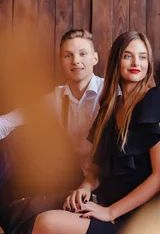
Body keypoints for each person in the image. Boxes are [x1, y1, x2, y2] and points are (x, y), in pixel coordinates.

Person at [0, 31, 160, 234]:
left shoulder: (155, 98)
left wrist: (109, 212)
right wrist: (85, 187)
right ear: (116, 60)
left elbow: (158, 178)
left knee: (48, 223)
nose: (136, 63)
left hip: (135, 224)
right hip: (102, 202)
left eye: (143, 57)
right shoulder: (111, 106)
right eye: (128, 56)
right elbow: (97, 168)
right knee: (28, 210)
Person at [0, 29, 103, 180]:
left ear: (94, 59)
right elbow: (8, 122)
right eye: (68, 55)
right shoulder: (56, 97)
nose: (75, 61)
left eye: (82, 54)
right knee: (15, 139)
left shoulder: (111, 92)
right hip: (68, 176)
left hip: (102, 178)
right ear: (61, 60)